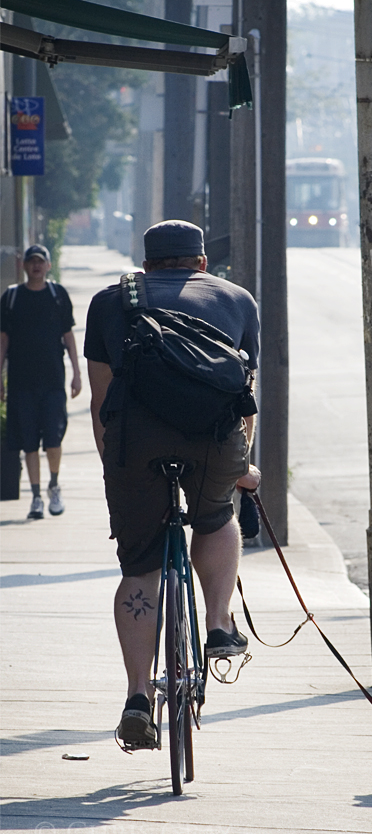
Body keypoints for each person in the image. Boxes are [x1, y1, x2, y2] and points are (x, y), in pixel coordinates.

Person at [84, 220, 261, 748]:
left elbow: (101, 401)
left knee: (140, 566)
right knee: (215, 516)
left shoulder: (110, 302)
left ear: (146, 265)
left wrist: (112, 463)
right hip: (212, 440)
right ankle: (218, 626)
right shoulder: (236, 300)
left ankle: (138, 697)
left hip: (135, 444)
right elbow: (245, 397)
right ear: (201, 263)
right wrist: (241, 466)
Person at [0, 244, 82, 519]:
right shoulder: (12, 298)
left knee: (53, 439)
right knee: (29, 443)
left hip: (53, 381)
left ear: (48, 265)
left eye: (40, 261)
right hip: (22, 382)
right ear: (24, 266)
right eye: (31, 261)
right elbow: (3, 341)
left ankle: (54, 485)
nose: (36, 265)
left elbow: (68, 336)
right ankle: (35, 497)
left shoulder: (57, 295)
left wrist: (77, 373)